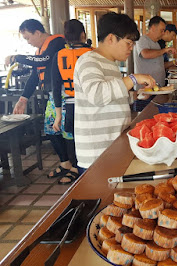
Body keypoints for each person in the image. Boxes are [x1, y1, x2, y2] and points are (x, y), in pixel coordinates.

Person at [74, 12, 156, 172]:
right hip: (96, 152)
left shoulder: (110, 64)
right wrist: (133, 79)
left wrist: (136, 95)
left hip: (112, 146)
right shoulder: (89, 61)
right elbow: (97, 95)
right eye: (128, 43)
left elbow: (112, 97)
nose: (131, 48)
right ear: (111, 38)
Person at [4, 19, 73, 179]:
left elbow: (46, 60)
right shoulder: (39, 52)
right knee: (51, 129)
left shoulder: (57, 42)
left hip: (67, 94)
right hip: (53, 96)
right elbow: (35, 76)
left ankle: (75, 167)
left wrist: (17, 58)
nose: (28, 42)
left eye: (28, 37)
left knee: (67, 131)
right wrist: (23, 98)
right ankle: (65, 163)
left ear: (37, 32)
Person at [51, 19, 92, 184]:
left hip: (70, 103)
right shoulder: (93, 53)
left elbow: (55, 87)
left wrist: (58, 115)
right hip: (91, 103)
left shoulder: (59, 55)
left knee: (73, 137)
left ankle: (76, 167)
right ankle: (87, 167)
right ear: (83, 34)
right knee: (89, 136)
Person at [134, 16, 176, 86]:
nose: (163, 33)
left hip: (158, 86)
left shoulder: (156, 44)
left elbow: (160, 65)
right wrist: (165, 50)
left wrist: (175, 62)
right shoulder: (142, 40)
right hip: (146, 88)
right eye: (161, 30)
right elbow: (146, 54)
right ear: (153, 28)